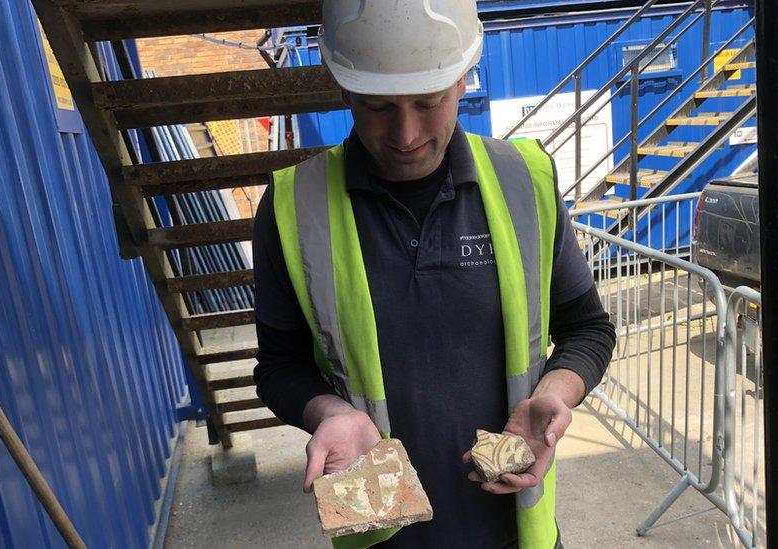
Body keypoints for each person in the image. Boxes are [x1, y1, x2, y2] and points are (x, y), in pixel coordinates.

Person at [252, 2, 616, 547]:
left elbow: (589, 329)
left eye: (430, 102)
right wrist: (327, 411)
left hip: (515, 529)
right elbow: (279, 366)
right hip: (377, 531)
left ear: (464, 77)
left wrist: (555, 391)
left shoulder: (524, 181)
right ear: (344, 88)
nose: (406, 133)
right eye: (378, 107)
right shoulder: (292, 206)